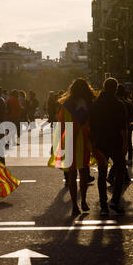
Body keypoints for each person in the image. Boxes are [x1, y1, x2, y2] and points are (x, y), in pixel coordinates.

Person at [49, 78, 95, 216]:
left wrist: (55, 144)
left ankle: (75, 204)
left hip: (69, 143)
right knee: (84, 173)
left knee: (72, 175)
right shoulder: (91, 105)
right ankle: (84, 201)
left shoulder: (66, 105)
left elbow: (60, 126)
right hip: (85, 143)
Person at [90, 77, 128, 215]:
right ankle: (115, 201)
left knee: (101, 173)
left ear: (104, 87)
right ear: (116, 88)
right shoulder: (119, 104)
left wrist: (92, 143)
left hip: (100, 142)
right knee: (120, 171)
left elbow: (91, 126)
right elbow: (123, 127)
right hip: (116, 142)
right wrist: (125, 144)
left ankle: (103, 205)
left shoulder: (96, 104)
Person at [107, 84, 133, 183]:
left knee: (118, 155)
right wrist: (130, 128)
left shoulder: (111, 103)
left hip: (113, 131)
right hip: (125, 130)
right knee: (121, 154)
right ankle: (116, 176)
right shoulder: (127, 103)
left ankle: (118, 176)